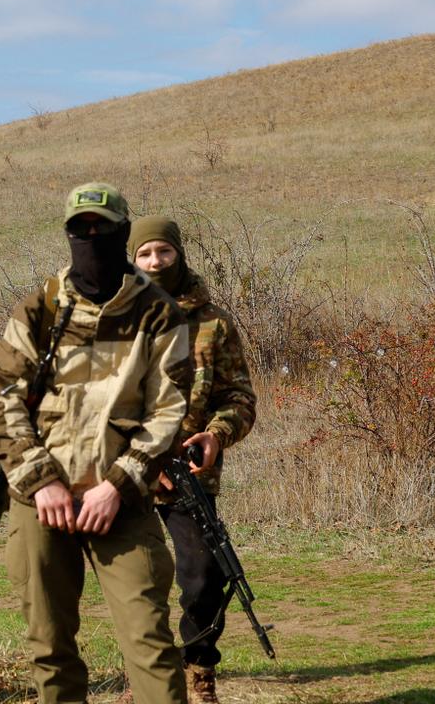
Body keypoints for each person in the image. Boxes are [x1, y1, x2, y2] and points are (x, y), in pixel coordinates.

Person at [0, 183, 193, 704]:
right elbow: (5, 402)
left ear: (124, 231)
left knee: (150, 641)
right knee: (49, 646)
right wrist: (41, 483)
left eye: (103, 228)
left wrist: (117, 486)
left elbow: (168, 411)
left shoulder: (159, 312)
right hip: (41, 502)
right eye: (81, 229)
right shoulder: (39, 308)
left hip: (120, 500)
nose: (92, 237)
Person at [121, 215, 257, 704]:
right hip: (127, 474)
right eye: (144, 254)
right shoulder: (116, 317)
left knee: (205, 576)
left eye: (164, 252)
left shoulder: (214, 322)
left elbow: (239, 397)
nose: (155, 262)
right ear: (131, 259)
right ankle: (146, 677)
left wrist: (217, 435)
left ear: (179, 254)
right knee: (136, 581)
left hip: (191, 476)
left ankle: (199, 667)